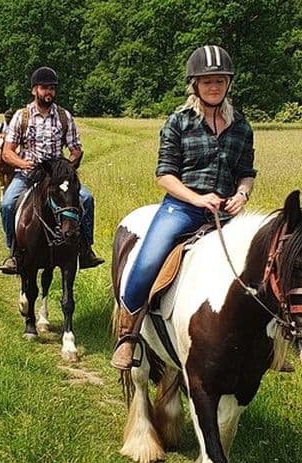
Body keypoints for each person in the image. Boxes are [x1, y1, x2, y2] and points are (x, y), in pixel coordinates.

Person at [111, 45, 257, 371]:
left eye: (220, 80)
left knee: (262, 265)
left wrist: (242, 195)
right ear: (195, 85)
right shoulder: (178, 122)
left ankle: (265, 342)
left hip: (226, 213)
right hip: (183, 208)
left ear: (229, 84)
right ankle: (128, 336)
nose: (214, 86)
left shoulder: (242, 127)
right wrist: (196, 198)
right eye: (207, 81)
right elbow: (164, 175)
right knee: (147, 262)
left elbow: (246, 173)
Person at [0, 66, 104, 275]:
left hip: (57, 177)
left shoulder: (64, 117)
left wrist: (70, 164)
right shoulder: (22, 116)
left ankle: (85, 249)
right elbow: (7, 153)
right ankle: (14, 253)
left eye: (52, 88)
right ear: (34, 90)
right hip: (28, 175)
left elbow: (75, 149)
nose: (49, 93)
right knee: (8, 204)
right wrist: (23, 164)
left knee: (87, 199)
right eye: (44, 88)